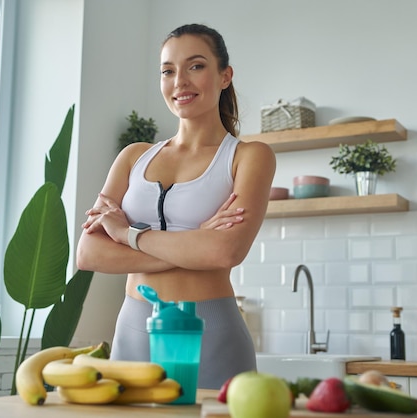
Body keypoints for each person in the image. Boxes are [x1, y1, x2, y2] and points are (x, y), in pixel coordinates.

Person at [76, 23, 276, 390]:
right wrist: (196, 242)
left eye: (196, 66)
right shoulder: (133, 156)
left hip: (212, 334)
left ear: (225, 76)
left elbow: (226, 250)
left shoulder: (249, 157)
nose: (179, 81)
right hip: (132, 330)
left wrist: (125, 234)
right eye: (168, 70)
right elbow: (89, 253)